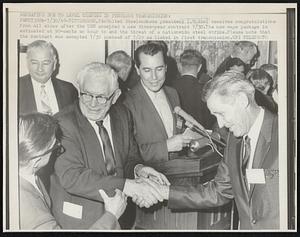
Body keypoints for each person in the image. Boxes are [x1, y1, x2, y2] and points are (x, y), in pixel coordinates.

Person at [49, 62, 168, 229]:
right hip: (80, 220)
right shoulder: (62, 123)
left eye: (101, 97)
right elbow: (72, 177)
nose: (92, 103)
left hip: (121, 216)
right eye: (86, 94)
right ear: (79, 90)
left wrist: (139, 169)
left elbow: (130, 155)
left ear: (116, 95)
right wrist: (129, 187)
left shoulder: (122, 114)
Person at [158, 71, 279, 229]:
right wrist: (164, 192)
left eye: (221, 113)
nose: (220, 124)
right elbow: (218, 191)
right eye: (215, 116)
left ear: (242, 101)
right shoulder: (234, 142)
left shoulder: (286, 136)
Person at [19, 113, 127, 230]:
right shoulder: (29, 207)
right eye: (54, 147)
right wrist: (112, 215)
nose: (60, 147)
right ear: (36, 161)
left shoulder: (28, 173)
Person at [123, 42, 194, 162]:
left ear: (166, 67)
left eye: (159, 69)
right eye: (147, 70)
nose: (154, 77)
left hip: (181, 170)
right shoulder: (126, 103)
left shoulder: (173, 93)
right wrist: (165, 147)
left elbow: (178, 127)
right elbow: (126, 154)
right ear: (137, 70)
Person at [19, 40, 78, 115]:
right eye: (34, 63)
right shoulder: (15, 88)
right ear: (27, 63)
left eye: (45, 63)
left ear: (54, 64)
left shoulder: (69, 90)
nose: (40, 69)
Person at [173, 49, 216, 129]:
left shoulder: (170, 87)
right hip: (201, 135)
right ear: (199, 67)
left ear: (180, 66)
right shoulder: (206, 90)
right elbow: (211, 119)